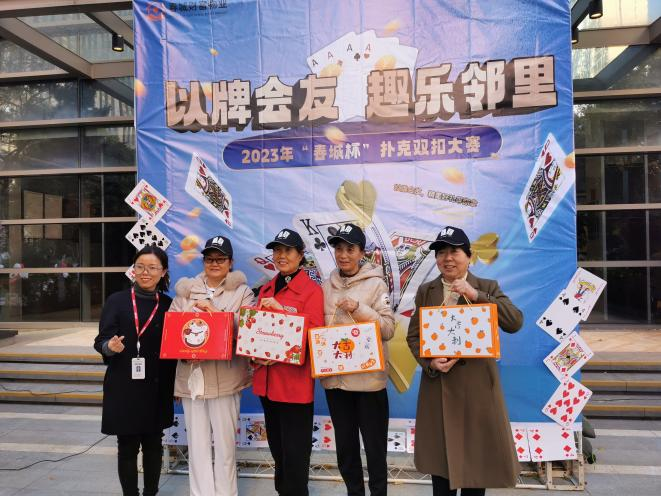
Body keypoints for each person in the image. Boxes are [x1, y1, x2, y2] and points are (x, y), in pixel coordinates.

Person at [406, 226, 524, 496]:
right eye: (441, 252)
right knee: (441, 472)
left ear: (469, 256)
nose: (447, 258)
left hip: (477, 393)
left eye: (454, 252)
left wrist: (475, 295)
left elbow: (514, 321)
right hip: (439, 390)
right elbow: (414, 337)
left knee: (476, 470)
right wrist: (430, 362)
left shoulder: (486, 287)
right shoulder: (426, 291)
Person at [169, 235, 254, 496]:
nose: (214, 263)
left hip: (226, 379)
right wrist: (186, 352)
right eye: (209, 259)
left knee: (226, 448)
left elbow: (247, 328)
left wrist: (215, 313)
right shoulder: (185, 291)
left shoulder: (243, 292)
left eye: (220, 259)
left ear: (231, 262)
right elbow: (172, 330)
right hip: (192, 377)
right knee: (197, 446)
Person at [94, 245, 176, 496]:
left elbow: (176, 347)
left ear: (163, 272)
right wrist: (109, 347)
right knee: (127, 447)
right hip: (124, 386)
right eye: (140, 266)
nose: (145, 272)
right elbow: (101, 340)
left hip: (157, 386)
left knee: (153, 444)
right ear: (133, 269)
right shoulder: (117, 301)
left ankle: (151, 493)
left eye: (152, 267)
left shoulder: (169, 305)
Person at [321, 223, 395, 496]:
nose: (343, 255)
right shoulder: (326, 286)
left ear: (362, 253)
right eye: (339, 248)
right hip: (336, 383)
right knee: (346, 450)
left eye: (350, 249)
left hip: (369, 384)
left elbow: (388, 329)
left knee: (375, 450)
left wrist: (359, 308)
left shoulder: (377, 284)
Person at [252, 228, 324, 496]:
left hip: (294, 385)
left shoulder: (312, 291)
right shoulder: (267, 288)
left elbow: (315, 334)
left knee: (295, 452)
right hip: (267, 383)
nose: (281, 256)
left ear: (301, 255)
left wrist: (283, 312)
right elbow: (256, 331)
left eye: (287, 251)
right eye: (277, 250)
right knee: (278, 450)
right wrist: (254, 353)